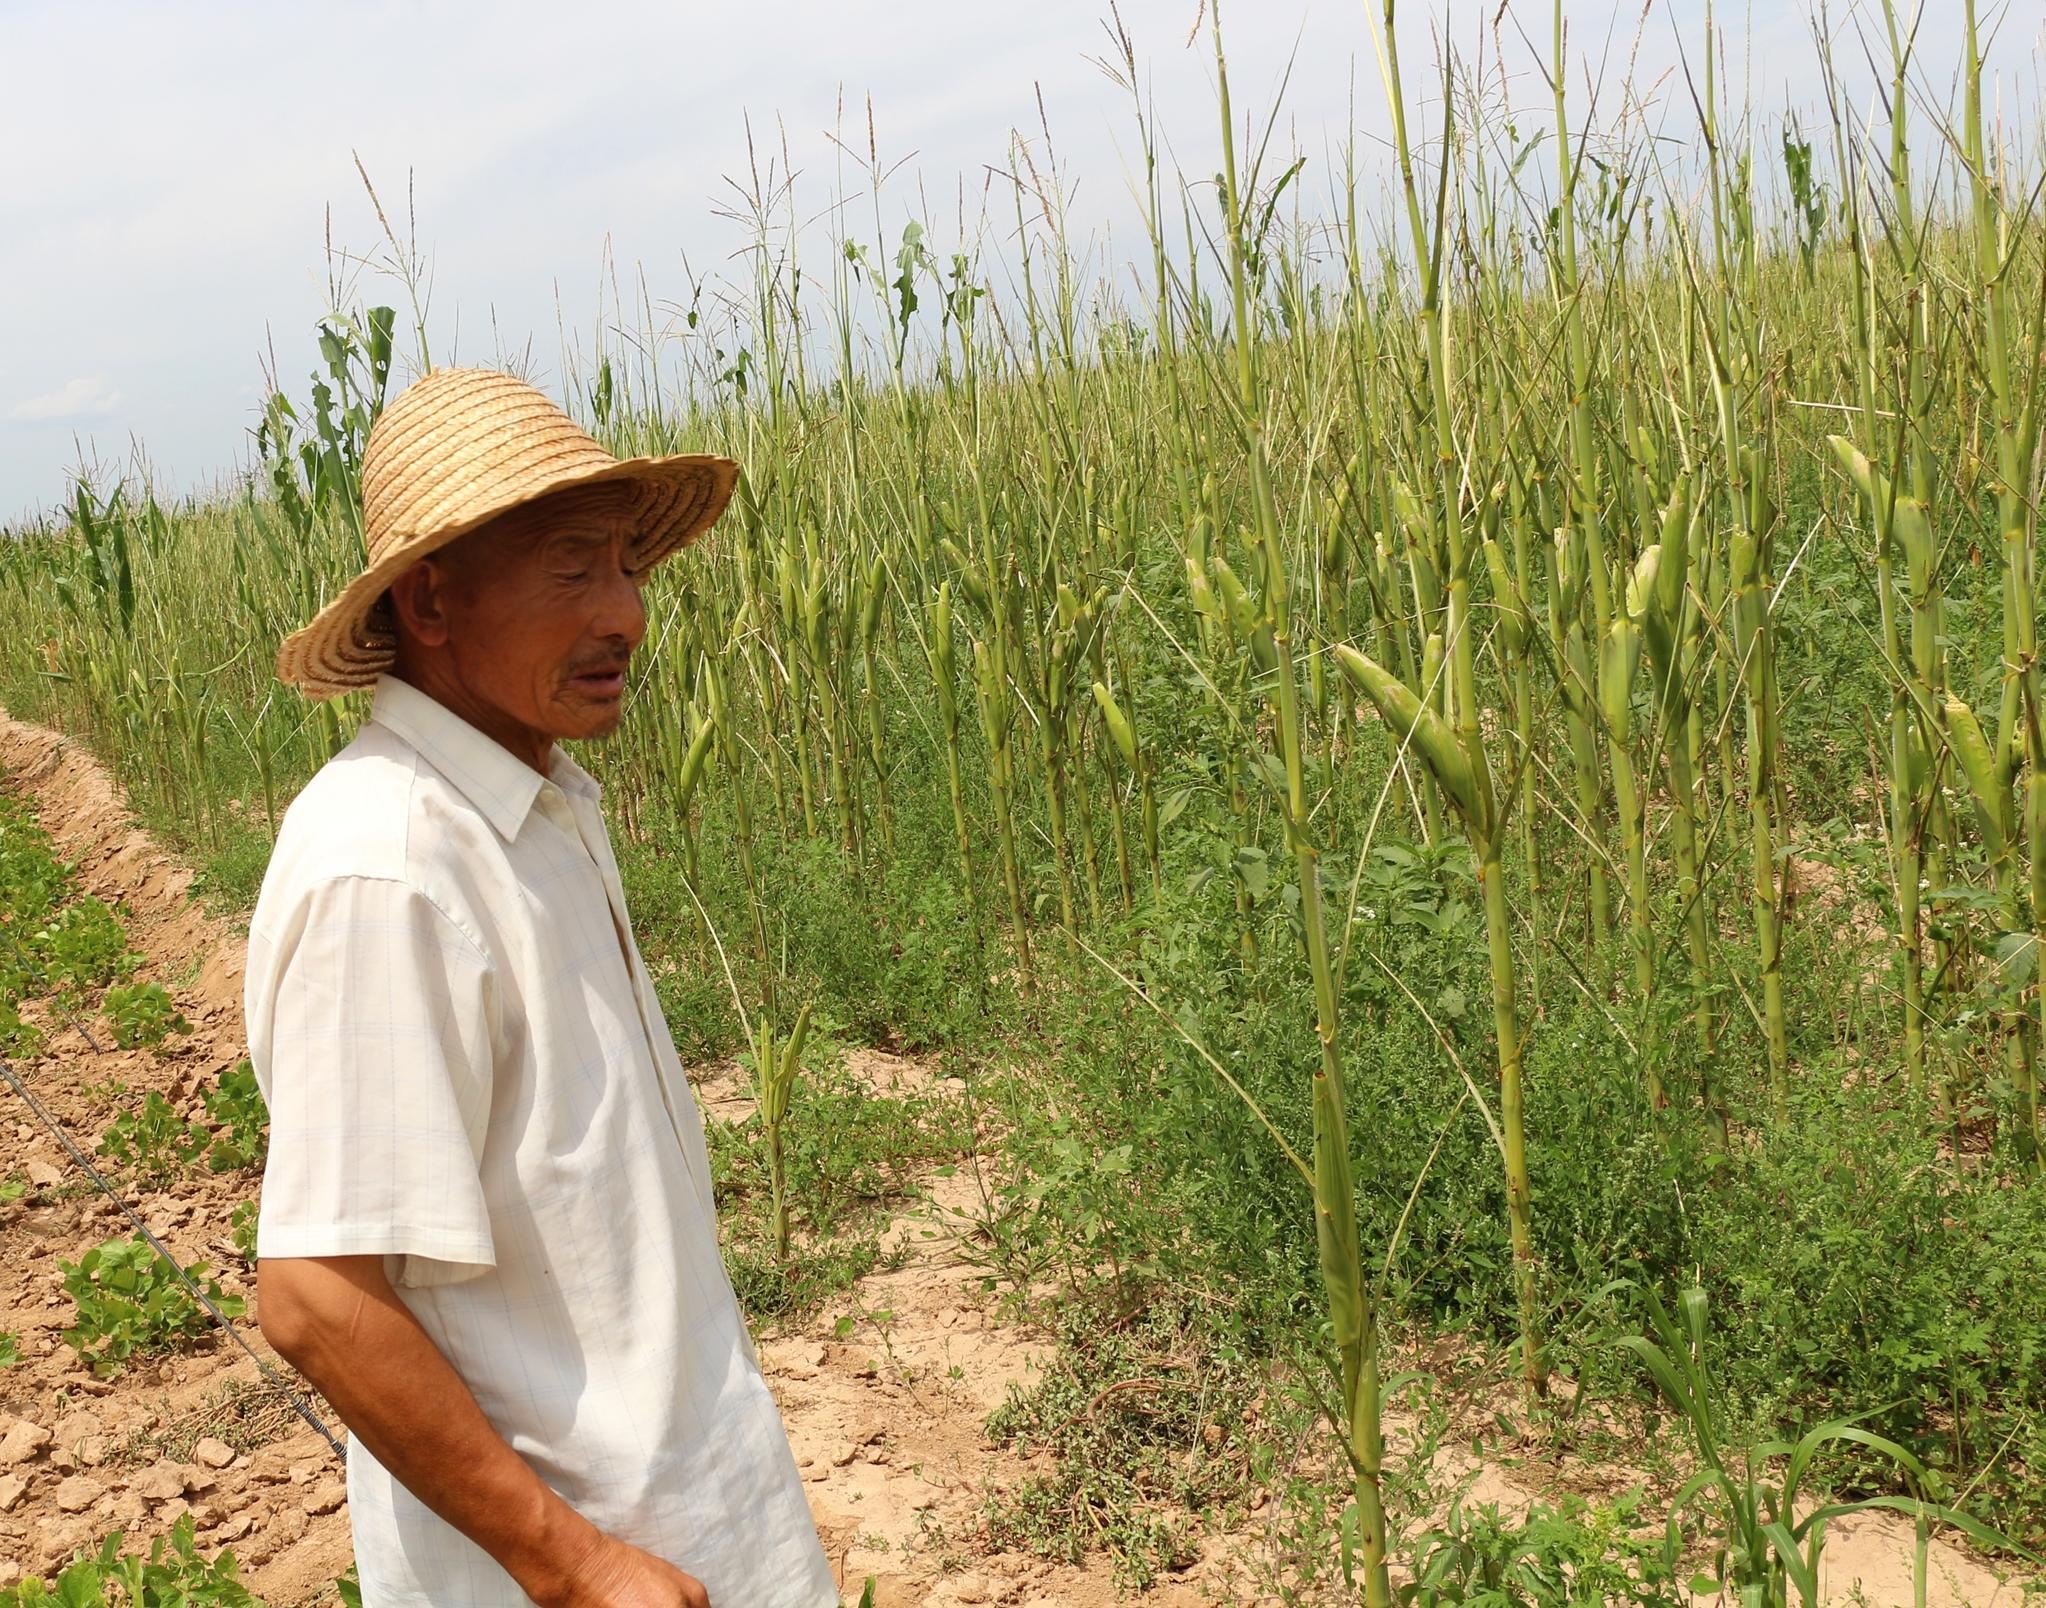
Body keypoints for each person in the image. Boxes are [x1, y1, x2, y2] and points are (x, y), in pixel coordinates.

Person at [244, 367, 840, 1608]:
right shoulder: (392, 866)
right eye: (573, 569)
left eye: (625, 564)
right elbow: (314, 1297)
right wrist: (573, 1568)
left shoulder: (533, 803)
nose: (627, 613)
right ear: (432, 601)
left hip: (686, 1502)